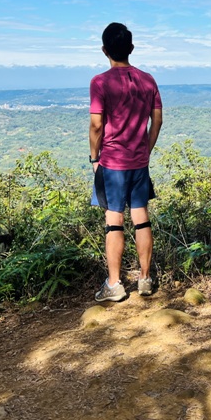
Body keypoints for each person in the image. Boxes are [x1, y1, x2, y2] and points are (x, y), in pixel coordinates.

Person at [89, 22, 163, 302]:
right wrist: (146, 149)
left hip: (112, 163)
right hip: (138, 162)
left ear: (104, 50)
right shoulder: (148, 80)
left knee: (114, 223)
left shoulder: (100, 82)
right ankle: (145, 279)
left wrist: (95, 158)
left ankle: (115, 284)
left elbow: (97, 125)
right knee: (142, 219)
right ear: (131, 48)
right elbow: (157, 120)